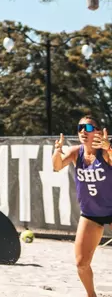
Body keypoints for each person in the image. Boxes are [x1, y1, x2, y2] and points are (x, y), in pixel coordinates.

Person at [52, 116, 112, 297]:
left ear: (99, 132)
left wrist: (108, 147)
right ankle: (91, 295)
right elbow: (56, 167)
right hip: (91, 213)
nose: (83, 131)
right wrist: (57, 150)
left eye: (88, 127)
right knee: (81, 263)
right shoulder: (75, 152)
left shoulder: (105, 152)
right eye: (80, 127)